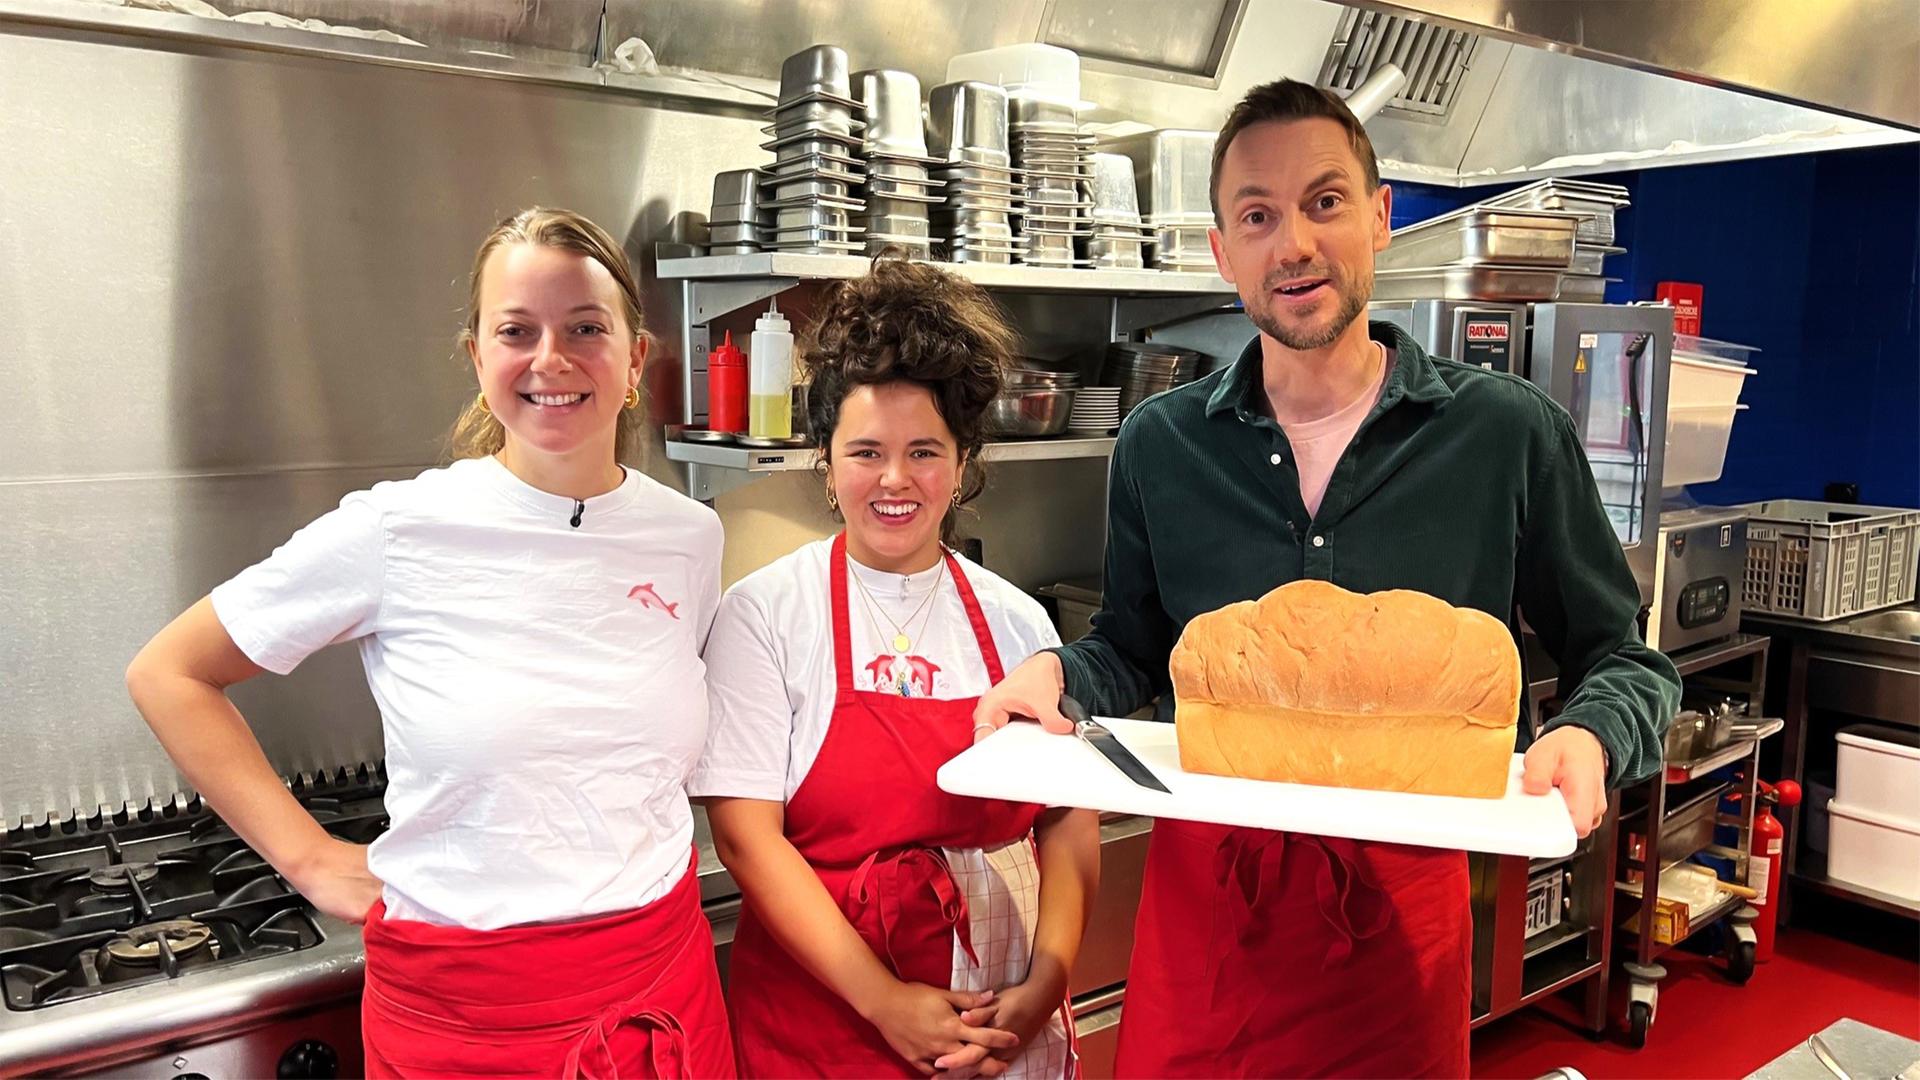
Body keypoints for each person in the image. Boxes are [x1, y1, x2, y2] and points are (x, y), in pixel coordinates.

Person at [974, 80, 1681, 1078]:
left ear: (1382, 216)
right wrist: (1054, 677)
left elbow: (1628, 660)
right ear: (1222, 252)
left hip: (1397, 932)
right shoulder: (1160, 446)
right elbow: (1130, 649)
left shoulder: (1506, 435)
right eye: (1257, 216)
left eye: (1325, 201)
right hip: (1209, 919)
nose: (1293, 243)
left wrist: (1590, 733)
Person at [125, 207, 734, 1078]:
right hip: (465, 1017)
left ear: (636, 358)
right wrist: (310, 860)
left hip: (658, 993)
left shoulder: (686, 535)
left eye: (586, 328)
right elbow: (171, 672)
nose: (550, 359)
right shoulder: (399, 529)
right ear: (478, 358)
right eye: (516, 331)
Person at [695, 258, 1099, 1079]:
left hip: (996, 1020)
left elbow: (1066, 819)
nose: (894, 480)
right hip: (825, 1028)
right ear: (827, 456)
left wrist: (1045, 981)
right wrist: (884, 1002)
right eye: (866, 450)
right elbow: (746, 839)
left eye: (923, 451)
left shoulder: (1016, 621)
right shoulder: (767, 614)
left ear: (962, 459)